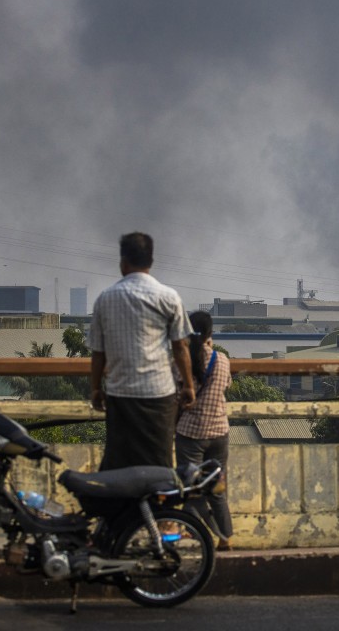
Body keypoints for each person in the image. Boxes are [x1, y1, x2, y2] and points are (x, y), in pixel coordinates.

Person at [89, 232, 195, 470]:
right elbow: (180, 347)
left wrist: (95, 388)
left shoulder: (105, 299)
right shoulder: (169, 297)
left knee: (119, 463)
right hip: (159, 394)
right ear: (151, 261)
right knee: (159, 462)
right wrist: (188, 385)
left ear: (123, 262)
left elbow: (98, 354)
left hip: (120, 393)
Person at [175, 311, 234, 551]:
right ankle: (225, 538)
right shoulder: (223, 360)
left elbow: (176, 393)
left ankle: (189, 531)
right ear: (210, 333)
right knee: (217, 488)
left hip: (190, 433)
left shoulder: (183, 360)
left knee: (190, 488)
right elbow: (226, 385)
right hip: (219, 432)